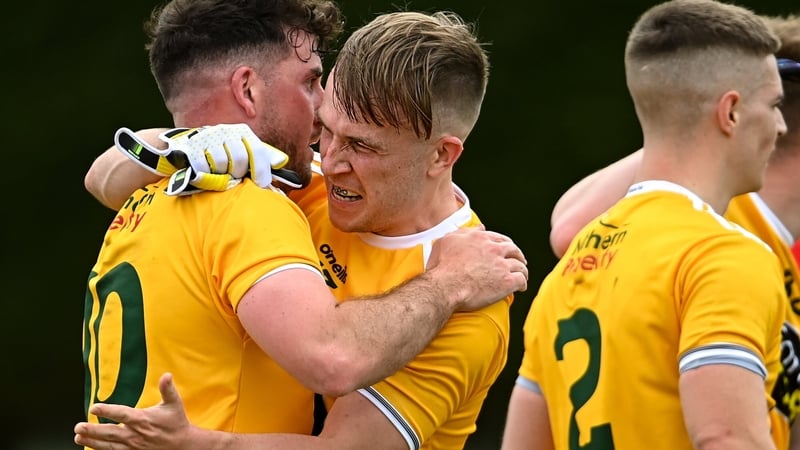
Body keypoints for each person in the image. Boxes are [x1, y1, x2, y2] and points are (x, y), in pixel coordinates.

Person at [75, 1, 528, 449]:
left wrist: (199, 444)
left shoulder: (471, 296)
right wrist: (188, 141)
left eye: (361, 147)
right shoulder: (298, 180)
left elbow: (345, 446)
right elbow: (102, 178)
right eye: (327, 128)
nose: (330, 161)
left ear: (441, 155)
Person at [501, 0, 788, 448]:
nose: (782, 125)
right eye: (773, 105)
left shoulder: (566, 275)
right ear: (730, 112)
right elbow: (728, 438)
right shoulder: (725, 256)